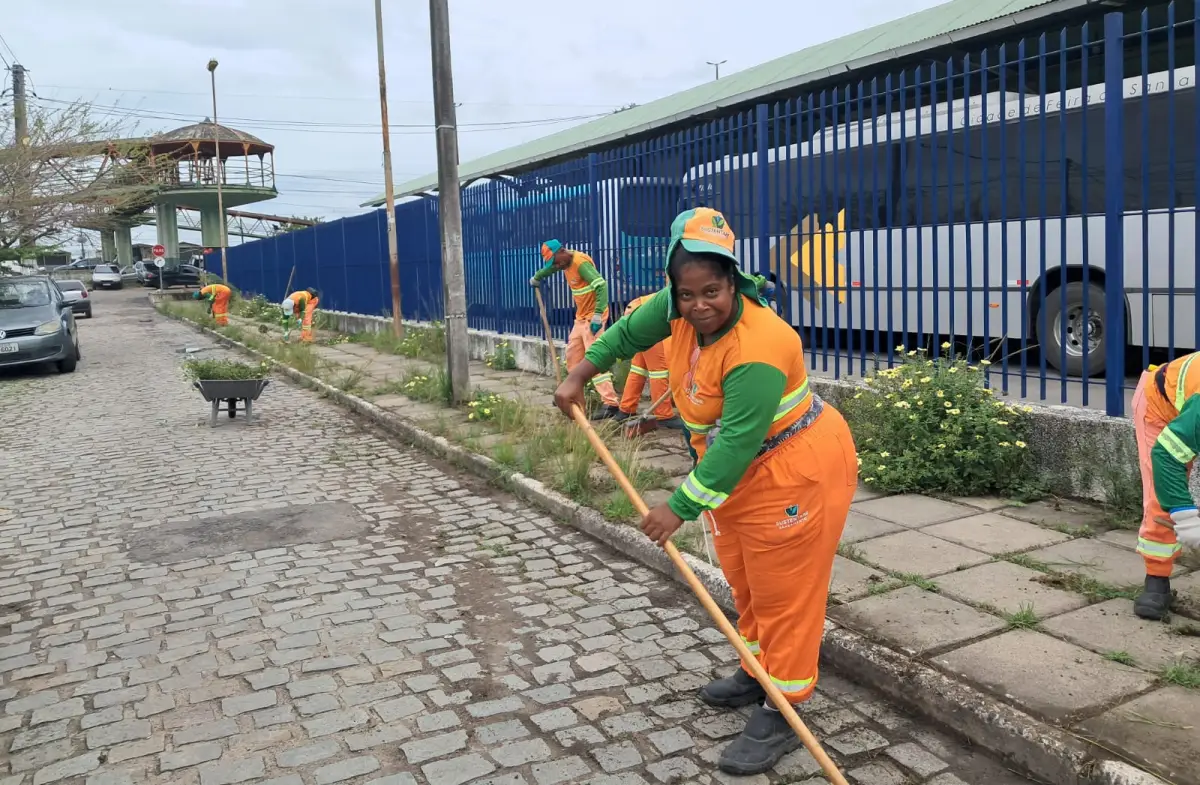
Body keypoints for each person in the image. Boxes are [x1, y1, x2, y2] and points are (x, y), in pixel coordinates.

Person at [553, 207, 858, 776]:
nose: (698, 305)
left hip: (795, 470)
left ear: (733, 280)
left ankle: (784, 708)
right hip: (737, 477)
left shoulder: (760, 346)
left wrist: (680, 508)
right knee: (745, 578)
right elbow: (623, 334)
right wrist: (581, 372)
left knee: (785, 592)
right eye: (686, 293)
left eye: (711, 290)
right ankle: (755, 667)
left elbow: (737, 443)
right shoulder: (676, 309)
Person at [1131, 353, 1200, 619]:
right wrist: (1185, 518)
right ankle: (1156, 580)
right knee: (1161, 498)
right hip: (1158, 405)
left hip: (1188, 406)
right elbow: (1167, 457)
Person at [530, 240, 620, 420]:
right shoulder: (563, 262)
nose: (556, 265)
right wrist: (538, 276)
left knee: (595, 358)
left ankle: (610, 403)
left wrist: (597, 315)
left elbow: (601, 285)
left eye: (556, 261)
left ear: (562, 251)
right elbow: (552, 268)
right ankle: (570, 392)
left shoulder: (580, 263)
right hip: (581, 318)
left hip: (593, 317)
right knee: (573, 355)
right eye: (553, 263)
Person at [615, 293, 682, 432]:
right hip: (648, 318)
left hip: (635, 309)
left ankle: (626, 409)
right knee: (659, 370)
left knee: (639, 368)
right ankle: (663, 415)